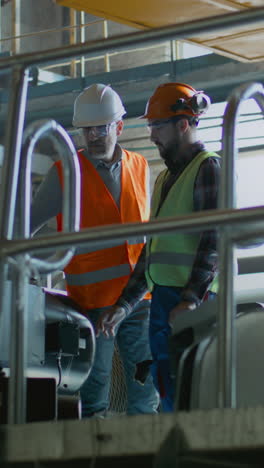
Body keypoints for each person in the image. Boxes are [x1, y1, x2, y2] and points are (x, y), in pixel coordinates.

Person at [30, 83, 159, 417]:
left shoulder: (140, 165)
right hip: (91, 302)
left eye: (99, 128)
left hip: (136, 298)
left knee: (145, 387)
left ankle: (145, 456)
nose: (92, 137)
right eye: (85, 130)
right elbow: (24, 229)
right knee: (94, 391)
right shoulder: (65, 173)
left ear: (118, 126)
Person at [97, 82, 221, 412]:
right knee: (166, 389)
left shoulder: (208, 168)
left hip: (196, 302)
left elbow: (214, 241)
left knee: (194, 393)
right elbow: (152, 253)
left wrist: (191, 300)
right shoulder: (165, 179)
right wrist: (124, 306)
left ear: (182, 124)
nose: (152, 136)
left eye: (157, 126)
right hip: (165, 301)